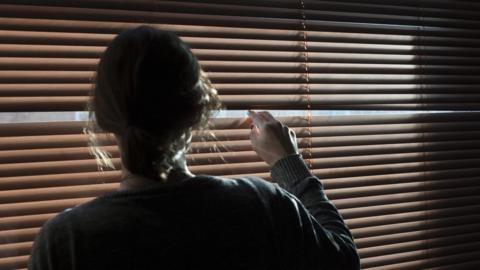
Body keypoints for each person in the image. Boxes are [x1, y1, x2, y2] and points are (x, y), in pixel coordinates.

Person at [28, 25, 360, 270]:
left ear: (102, 117)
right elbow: (343, 261)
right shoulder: (262, 207)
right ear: (199, 111)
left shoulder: (64, 242)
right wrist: (290, 165)